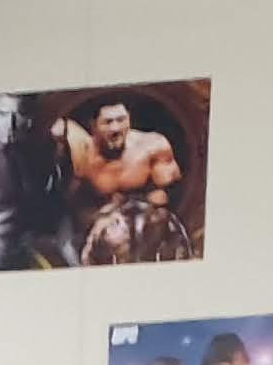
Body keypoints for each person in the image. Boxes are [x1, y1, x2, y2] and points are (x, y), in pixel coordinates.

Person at [57, 97, 190, 263]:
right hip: (91, 233)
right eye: (108, 122)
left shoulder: (153, 146)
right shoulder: (80, 153)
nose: (115, 128)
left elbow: (166, 196)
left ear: (129, 120)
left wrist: (132, 209)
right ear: (93, 125)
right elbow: (72, 203)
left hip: (144, 230)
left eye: (121, 120)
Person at [0, 92, 63, 270]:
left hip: (15, 264)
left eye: (19, 115)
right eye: (2, 114)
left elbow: (42, 220)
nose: (11, 124)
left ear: (29, 118)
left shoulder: (32, 160)